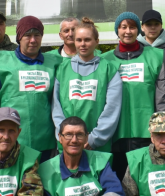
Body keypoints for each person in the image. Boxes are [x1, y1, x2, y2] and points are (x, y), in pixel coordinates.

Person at [0, 16, 61, 161]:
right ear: (19, 37)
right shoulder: (2, 63)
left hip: (45, 141)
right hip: (9, 140)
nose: (33, 40)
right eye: (27, 35)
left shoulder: (54, 63)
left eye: (37, 35)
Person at [102, 12, 165, 180]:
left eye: (132, 27)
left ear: (138, 30)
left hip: (146, 132)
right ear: (117, 30)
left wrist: (160, 127)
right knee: (118, 179)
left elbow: (161, 95)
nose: (128, 31)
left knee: (144, 179)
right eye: (123, 27)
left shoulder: (156, 56)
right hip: (115, 132)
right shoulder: (105, 60)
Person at [52, 18, 122, 153]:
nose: (83, 44)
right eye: (79, 40)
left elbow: (112, 108)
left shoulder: (109, 69)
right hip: (67, 144)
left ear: (97, 41)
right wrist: (65, 134)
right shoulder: (62, 69)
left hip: (97, 145)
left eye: (87, 40)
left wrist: (95, 138)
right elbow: (56, 107)